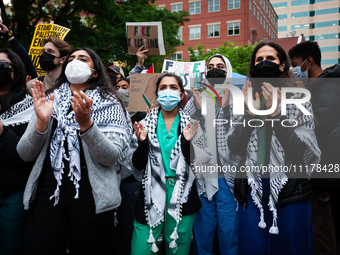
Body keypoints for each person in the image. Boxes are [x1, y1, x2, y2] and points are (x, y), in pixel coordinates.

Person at [17, 47, 131, 255]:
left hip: (91, 200)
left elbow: (110, 156)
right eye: (71, 59)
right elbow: (24, 153)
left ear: (95, 72)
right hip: (48, 196)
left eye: (83, 59)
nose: (75, 62)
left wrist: (87, 125)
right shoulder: (48, 100)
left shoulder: (111, 103)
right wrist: (41, 124)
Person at [227, 41, 320, 255]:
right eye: (259, 60)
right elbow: (234, 145)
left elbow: (303, 151)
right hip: (253, 188)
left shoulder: (298, 98)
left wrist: (277, 116)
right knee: (253, 248)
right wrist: (250, 113)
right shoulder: (243, 99)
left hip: (290, 190)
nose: (264, 63)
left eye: (270, 59)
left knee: (291, 248)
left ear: (281, 65)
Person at [130, 73, 201, 255]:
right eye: (163, 88)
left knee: (177, 248)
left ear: (181, 94)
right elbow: (137, 165)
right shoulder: (144, 124)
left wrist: (186, 143)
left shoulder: (193, 125)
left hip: (182, 194)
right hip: (150, 194)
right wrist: (143, 143)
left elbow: (198, 166)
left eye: (173, 87)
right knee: (141, 249)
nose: (168, 91)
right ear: (157, 94)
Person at [289, 41, 340, 255]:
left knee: (323, 238)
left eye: (295, 65)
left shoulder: (328, 88)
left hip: (325, 180)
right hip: (318, 177)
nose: (293, 71)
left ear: (309, 62)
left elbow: (318, 128)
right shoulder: (316, 88)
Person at [186, 54, 238, 255]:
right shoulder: (196, 98)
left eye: (220, 66)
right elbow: (189, 134)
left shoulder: (236, 97)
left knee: (228, 231)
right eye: (211, 66)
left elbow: (238, 138)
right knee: (203, 231)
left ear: (228, 70)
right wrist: (199, 111)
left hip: (227, 176)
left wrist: (225, 110)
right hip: (203, 174)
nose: (215, 69)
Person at [0, 48, 35, 254]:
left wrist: (3, 133)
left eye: (3, 66)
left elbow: (26, 155)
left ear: (16, 70)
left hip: (13, 193)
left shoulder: (30, 107)